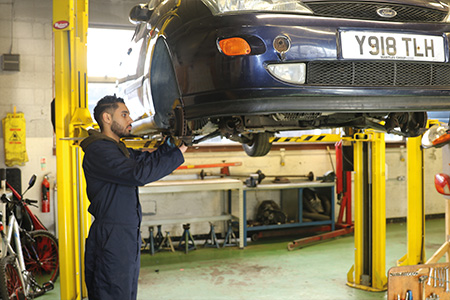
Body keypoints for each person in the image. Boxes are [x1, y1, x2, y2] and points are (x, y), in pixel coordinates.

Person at [80, 95, 187, 300]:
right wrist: (179, 153)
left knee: (125, 291)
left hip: (125, 235)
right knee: (112, 292)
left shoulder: (117, 150)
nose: (130, 120)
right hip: (112, 237)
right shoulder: (99, 151)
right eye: (124, 114)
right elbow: (138, 174)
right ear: (107, 118)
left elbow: (147, 159)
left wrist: (173, 145)